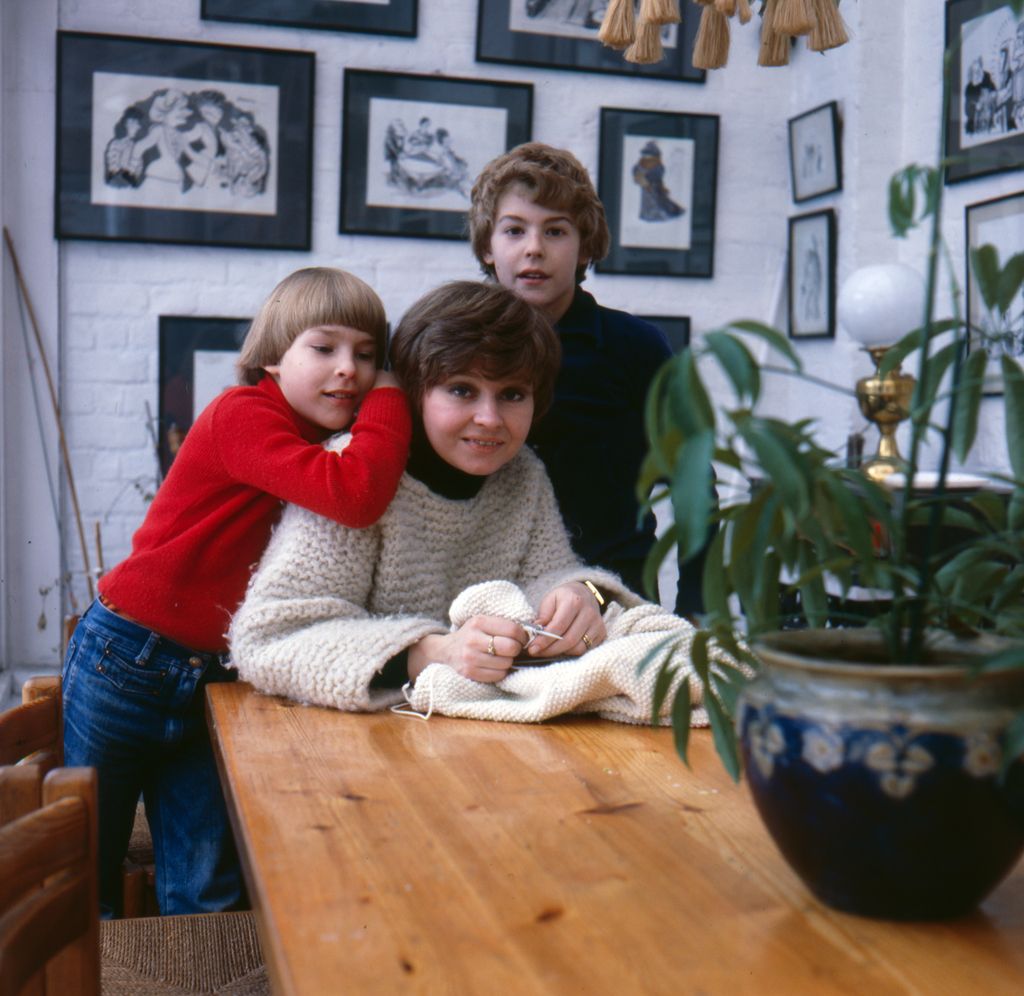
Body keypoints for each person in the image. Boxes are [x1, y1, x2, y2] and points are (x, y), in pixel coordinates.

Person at [62, 267, 412, 918]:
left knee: (207, 889)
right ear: (274, 357)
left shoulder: (322, 439)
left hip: (215, 679)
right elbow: (356, 496)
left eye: (368, 355)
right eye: (325, 347)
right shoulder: (242, 414)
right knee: (88, 868)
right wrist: (392, 392)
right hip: (127, 659)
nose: (350, 370)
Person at [229, 281, 660, 710]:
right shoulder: (357, 472)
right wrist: (431, 653)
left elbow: (549, 574)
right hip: (345, 751)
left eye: (512, 394)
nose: (490, 419)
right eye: (461, 390)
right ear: (415, 393)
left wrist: (586, 593)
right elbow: (270, 639)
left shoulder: (522, 474)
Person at [468, 141, 707, 618]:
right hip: (486, 598)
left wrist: (696, 612)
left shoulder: (637, 347)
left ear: (584, 247)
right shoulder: (452, 342)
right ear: (488, 248)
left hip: (612, 597)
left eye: (555, 231)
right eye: (514, 230)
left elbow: (695, 486)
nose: (533, 248)